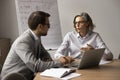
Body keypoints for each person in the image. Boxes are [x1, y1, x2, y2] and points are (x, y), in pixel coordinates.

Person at [0, 11, 74, 80]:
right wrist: (60, 62)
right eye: (48, 25)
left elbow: (45, 55)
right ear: (40, 26)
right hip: (14, 78)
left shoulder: (36, 37)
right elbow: (36, 66)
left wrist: (52, 61)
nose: (49, 27)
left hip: (27, 76)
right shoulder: (22, 42)